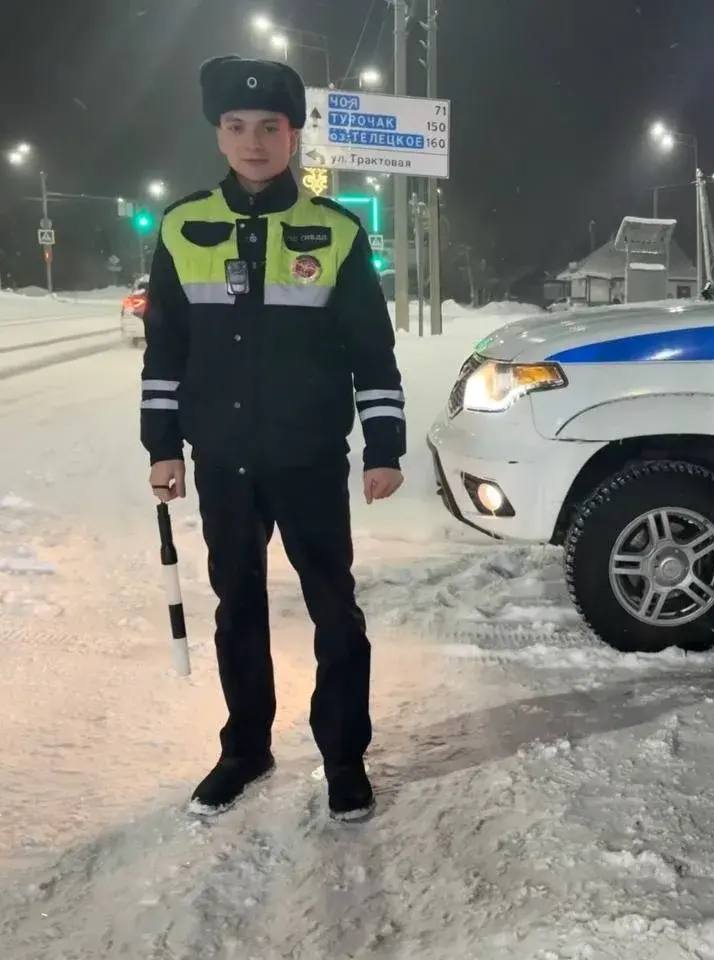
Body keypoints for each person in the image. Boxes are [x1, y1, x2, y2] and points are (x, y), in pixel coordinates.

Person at [140, 56, 406, 823]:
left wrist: (383, 448)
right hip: (223, 460)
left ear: (293, 136)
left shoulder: (336, 230)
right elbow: (166, 348)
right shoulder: (183, 226)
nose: (253, 142)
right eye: (237, 127)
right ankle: (246, 748)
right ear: (218, 135)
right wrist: (162, 445)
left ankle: (344, 757)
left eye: (269, 127)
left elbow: (371, 350)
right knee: (238, 609)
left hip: (309, 459)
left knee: (335, 611)